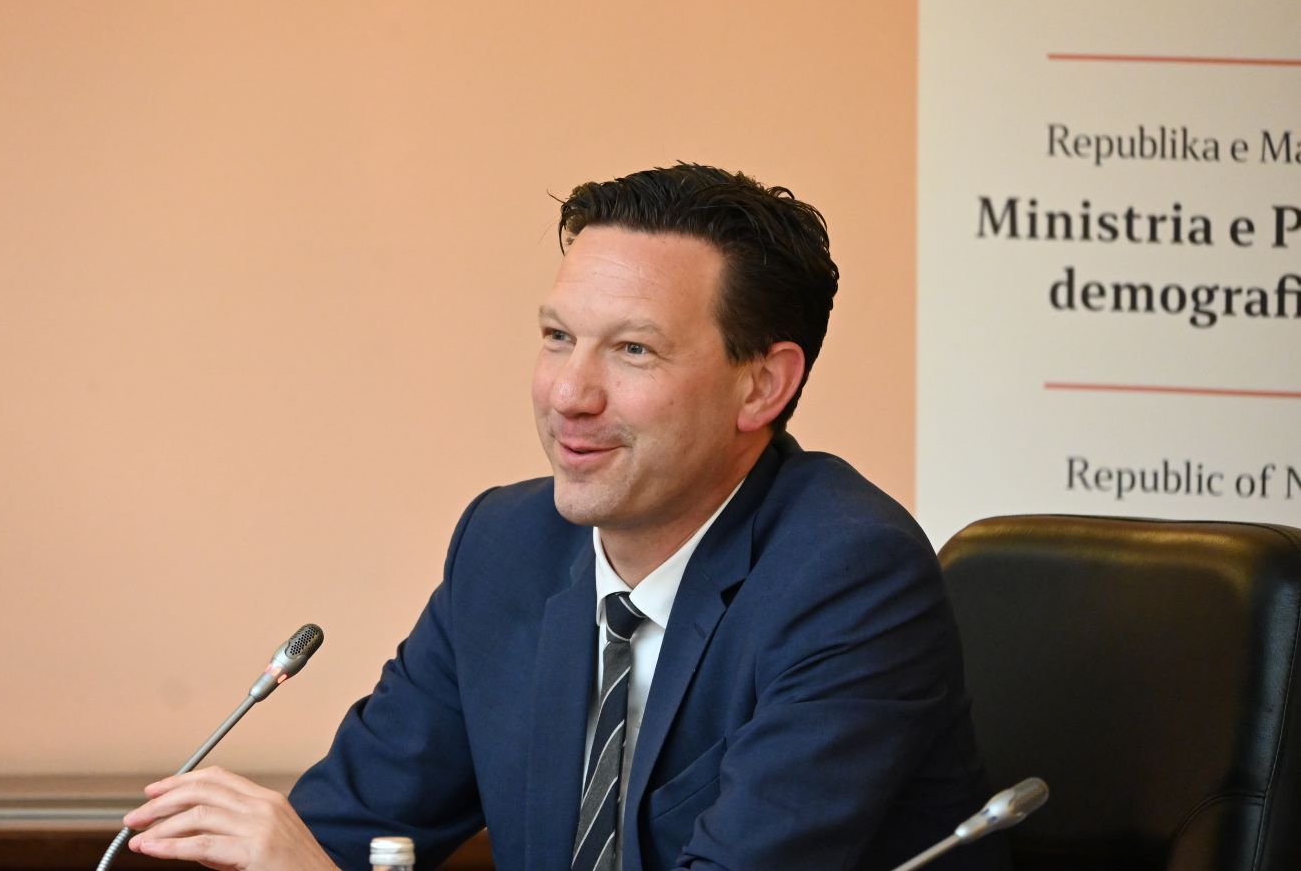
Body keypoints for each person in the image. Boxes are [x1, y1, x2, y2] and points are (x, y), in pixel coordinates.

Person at [124, 164, 1007, 871]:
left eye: (633, 350)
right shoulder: (507, 547)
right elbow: (349, 831)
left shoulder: (847, 575)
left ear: (762, 385)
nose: (569, 394)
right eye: (557, 338)